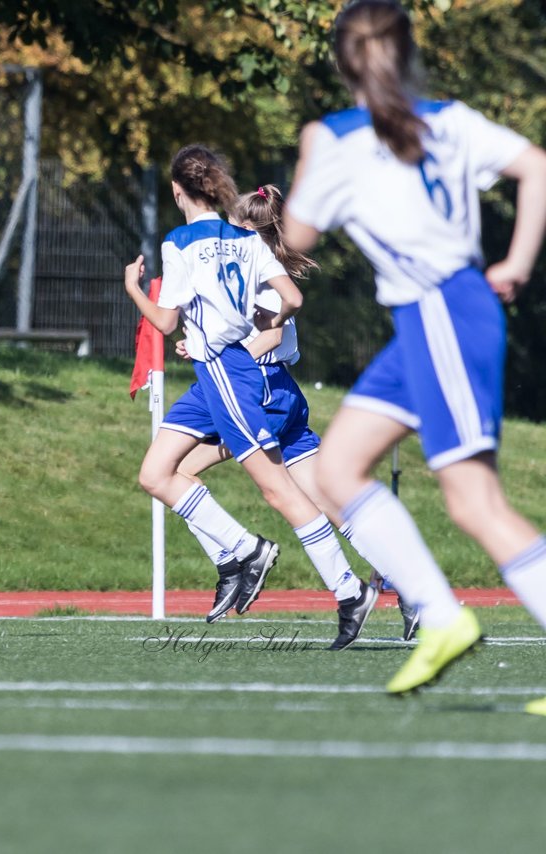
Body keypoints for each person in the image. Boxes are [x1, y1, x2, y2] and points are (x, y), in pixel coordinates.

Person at [283, 0, 546, 705]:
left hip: (443, 312)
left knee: (476, 502)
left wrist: (309, 157)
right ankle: (440, 618)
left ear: (342, 63)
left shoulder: (334, 137)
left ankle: (440, 617)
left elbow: (298, 235)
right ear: (407, 55)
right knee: (336, 470)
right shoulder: (452, 119)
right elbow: (537, 166)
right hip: (434, 317)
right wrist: (515, 262)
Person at [124, 145, 378, 651]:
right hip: (214, 373)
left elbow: (166, 319)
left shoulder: (179, 243)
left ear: (179, 192)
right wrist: (260, 327)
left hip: (226, 373)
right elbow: (294, 297)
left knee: (279, 490)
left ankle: (348, 591)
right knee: (155, 473)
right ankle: (240, 550)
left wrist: (133, 288)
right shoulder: (245, 238)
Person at [176, 186, 417, 643]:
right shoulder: (254, 267)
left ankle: (237, 559)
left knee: (175, 471)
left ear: (249, 230)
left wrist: (216, 349)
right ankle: (408, 586)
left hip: (258, 391)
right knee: (328, 501)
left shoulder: (260, 273)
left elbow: (269, 335)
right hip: (279, 391)